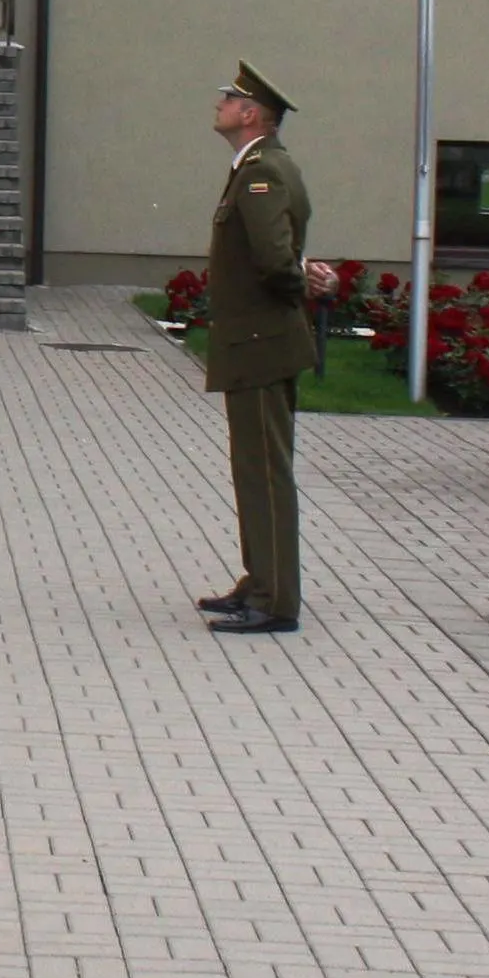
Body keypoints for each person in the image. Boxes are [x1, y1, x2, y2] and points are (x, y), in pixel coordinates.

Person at [196, 62, 320, 637]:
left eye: (229, 99)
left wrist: (301, 283)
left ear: (250, 114)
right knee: (254, 469)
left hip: (260, 342)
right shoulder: (259, 166)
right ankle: (260, 580)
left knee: (264, 472)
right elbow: (281, 251)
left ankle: (275, 600)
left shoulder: (262, 171)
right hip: (257, 341)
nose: (219, 104)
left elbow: (273, 259)